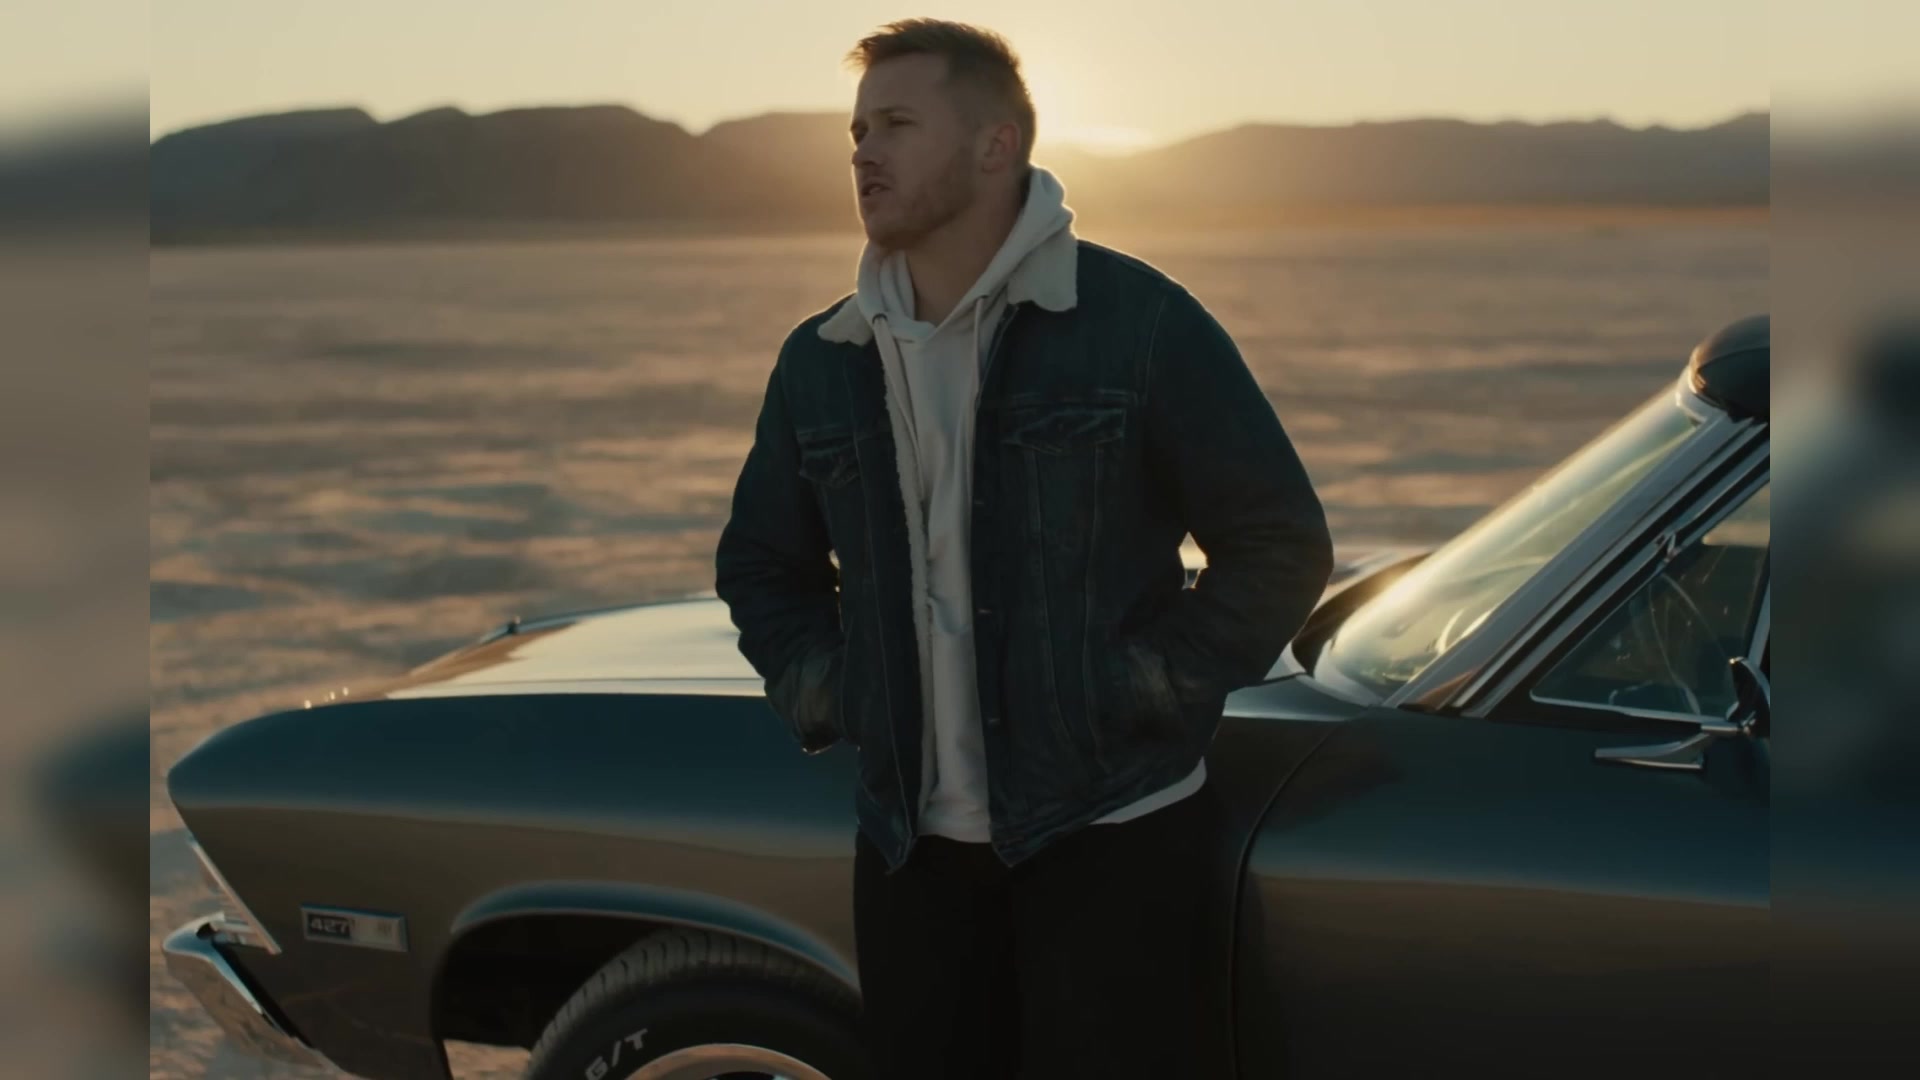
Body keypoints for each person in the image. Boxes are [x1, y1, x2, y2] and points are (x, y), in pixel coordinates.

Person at [714, 18, 1333, 1079]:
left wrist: (1143, 683)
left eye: (896, 125)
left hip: (1113, 837)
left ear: (996, 145)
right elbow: (762, 566)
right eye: (857, 131)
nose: (864, 153)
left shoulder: (1137, 324)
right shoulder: (823, 358)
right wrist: (835, 689)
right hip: (910, 853)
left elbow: (1278, 541)